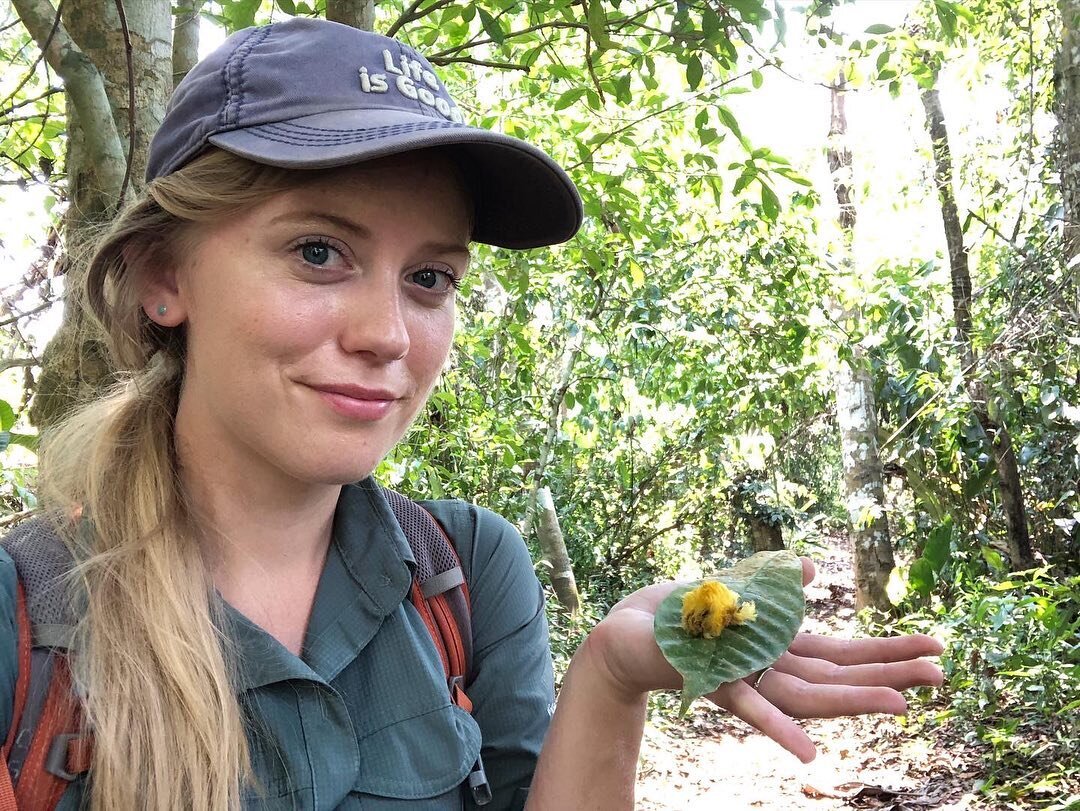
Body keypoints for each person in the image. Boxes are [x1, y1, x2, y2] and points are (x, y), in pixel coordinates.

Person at [0, 17, 944, 811]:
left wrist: (611, 679)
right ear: (166, 274)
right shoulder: (23, 622)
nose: (390, 335)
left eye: (429, 278)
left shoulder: (465, 573)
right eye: (320, 251)